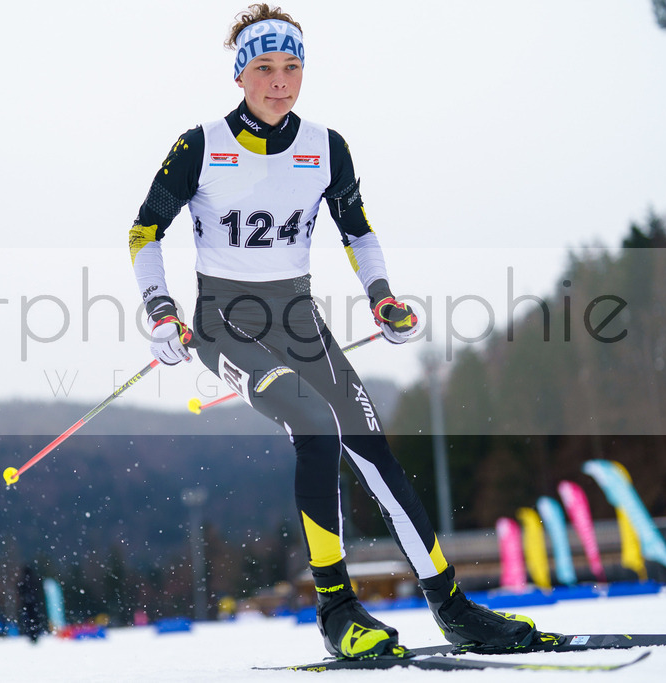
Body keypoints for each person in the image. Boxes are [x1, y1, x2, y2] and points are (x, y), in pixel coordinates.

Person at [129, 3, 539, 660]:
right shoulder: (200, 145)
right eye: (264, 68)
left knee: (372, 446)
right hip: (222, 322)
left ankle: (452, 606)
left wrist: (382, 299)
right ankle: (337, 607)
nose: (280, 82)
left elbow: (358, 229)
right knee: (315, 425)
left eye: (292, 67)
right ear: (240, 76)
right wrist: (158, 308)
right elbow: (144, 231)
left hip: (298, 318)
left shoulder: (327, 146)